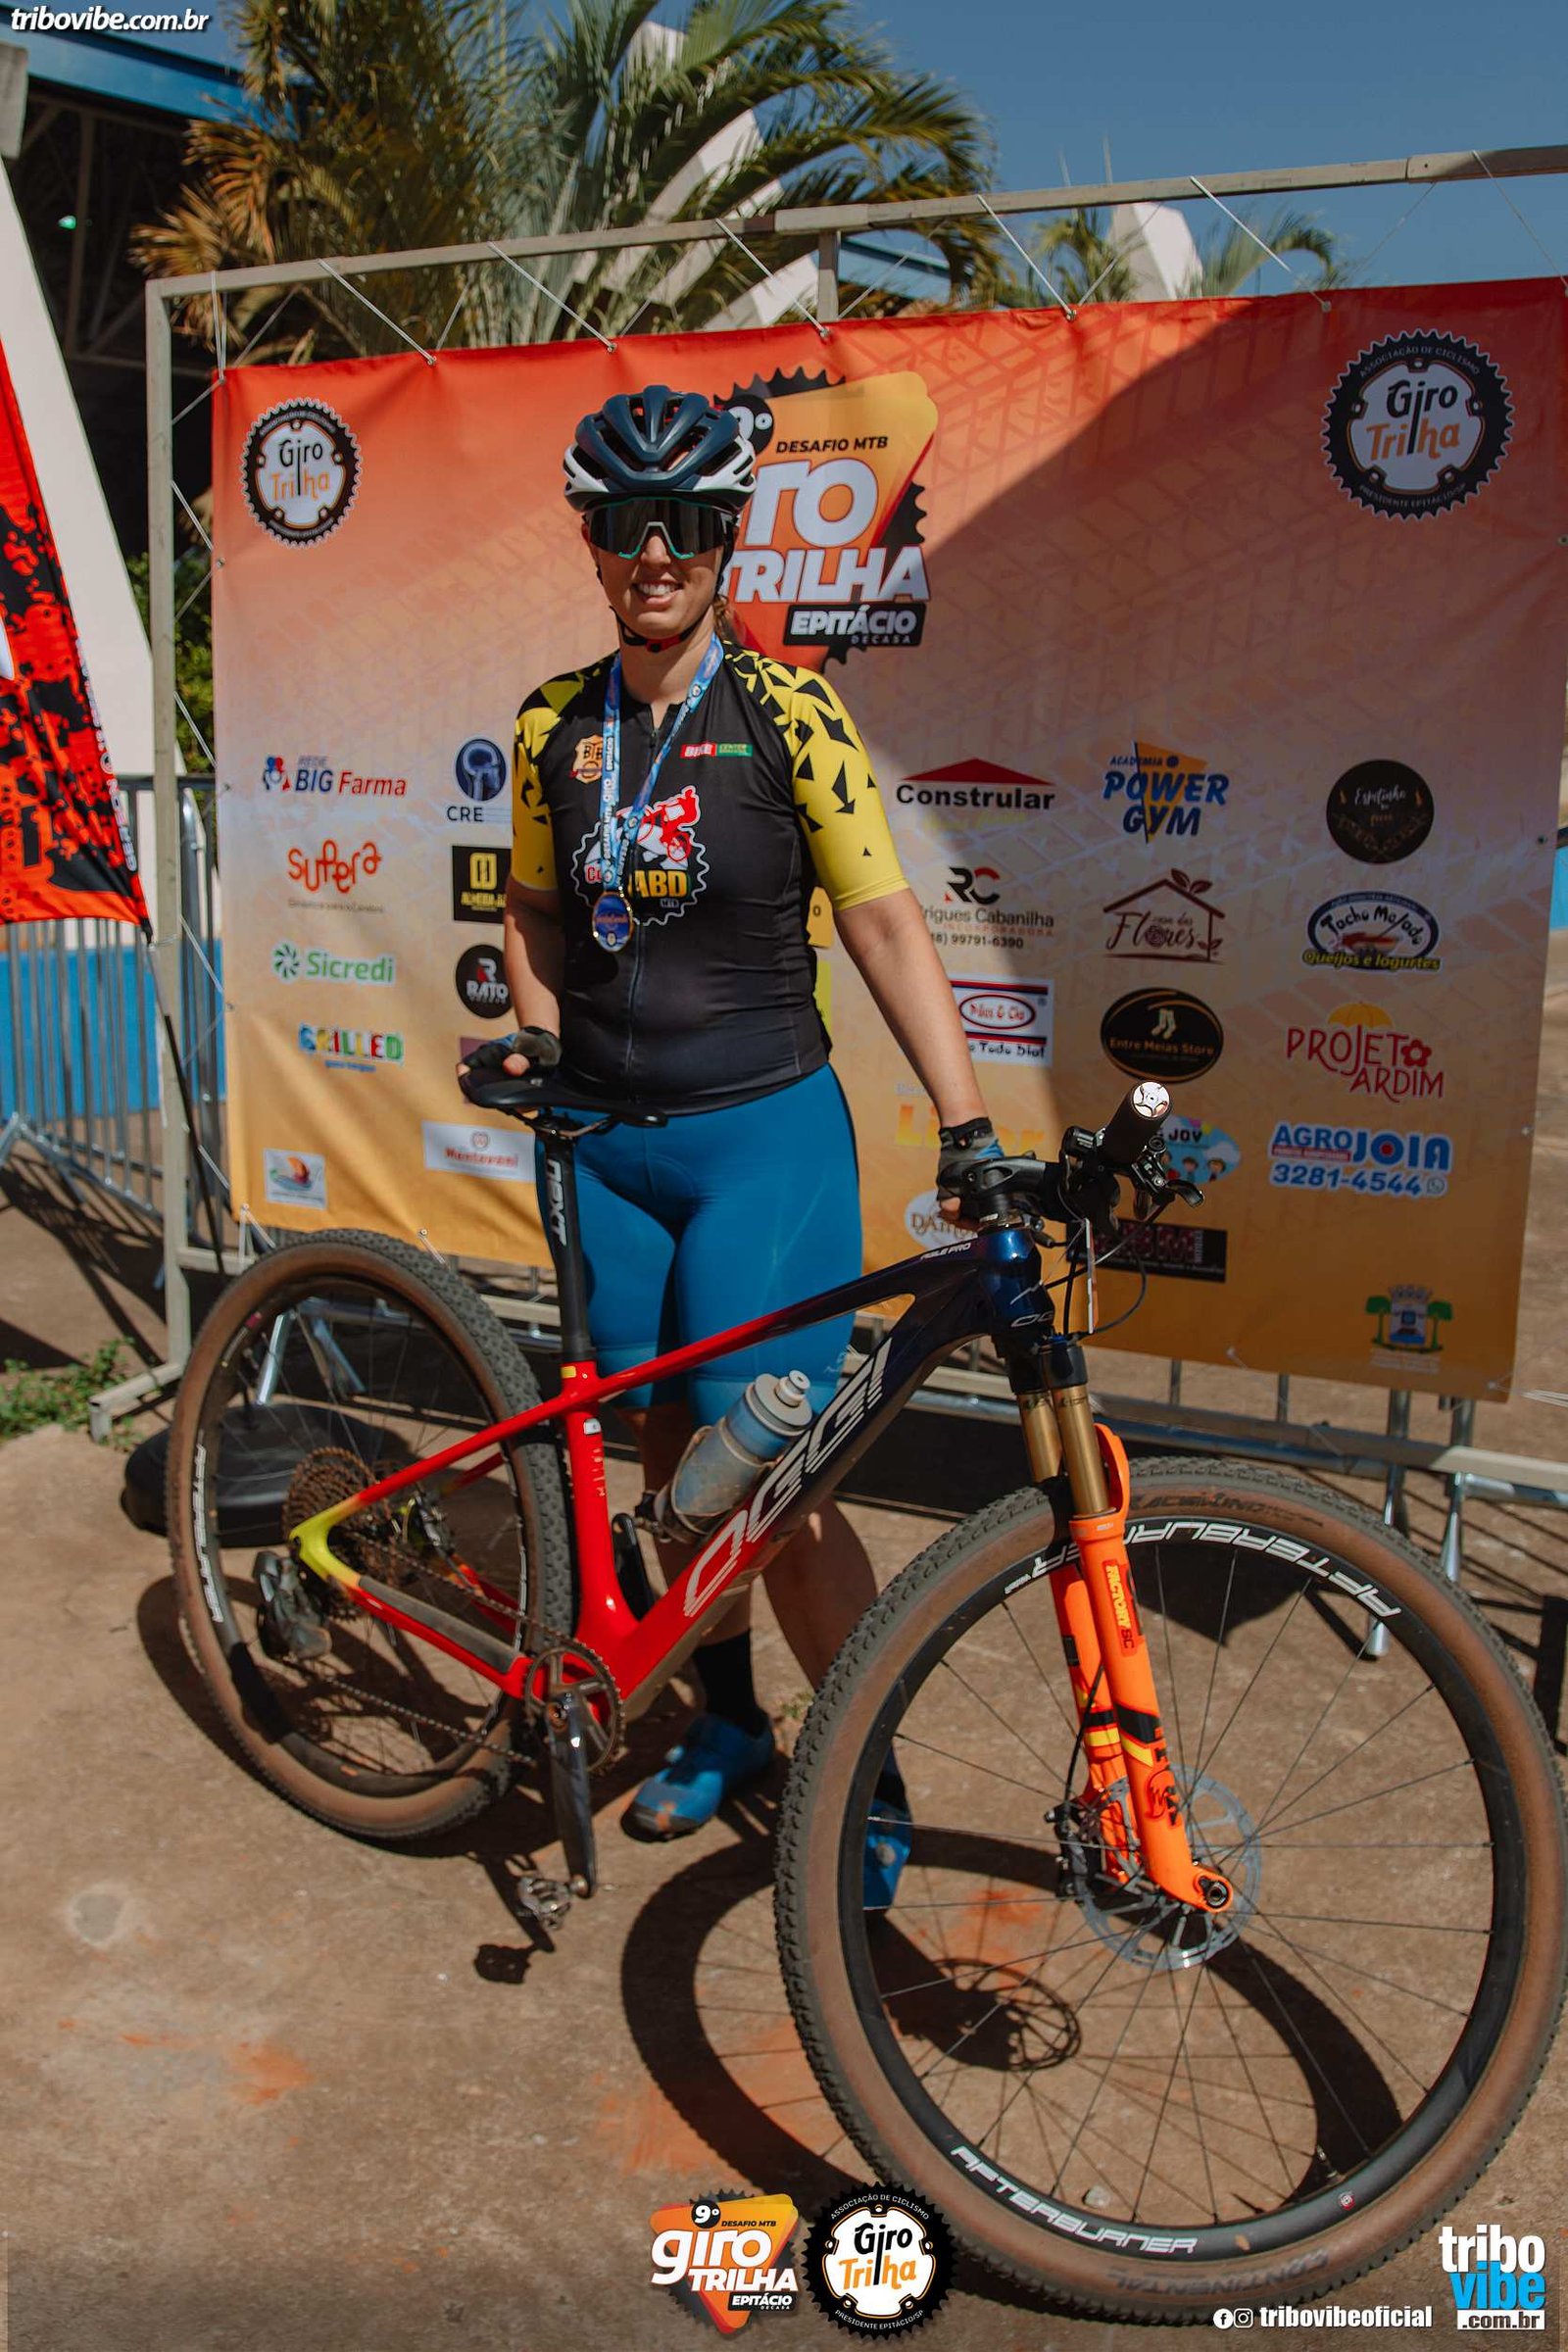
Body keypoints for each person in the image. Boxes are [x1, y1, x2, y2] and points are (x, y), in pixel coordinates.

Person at [472, 385, 1000, 1900]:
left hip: (758, 1144)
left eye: (687, 523)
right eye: (626, 523)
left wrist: (967, 1121)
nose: (656, 552)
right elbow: (530, 909)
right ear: (591, 540)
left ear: (724, 538)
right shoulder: (551, 725)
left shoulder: (791, 714)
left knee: (778, 1487)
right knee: (662, 1461)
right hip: (604, 1152)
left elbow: (883, 922)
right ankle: (728, 1722)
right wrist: (539, 1035)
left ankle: (866, 1773)